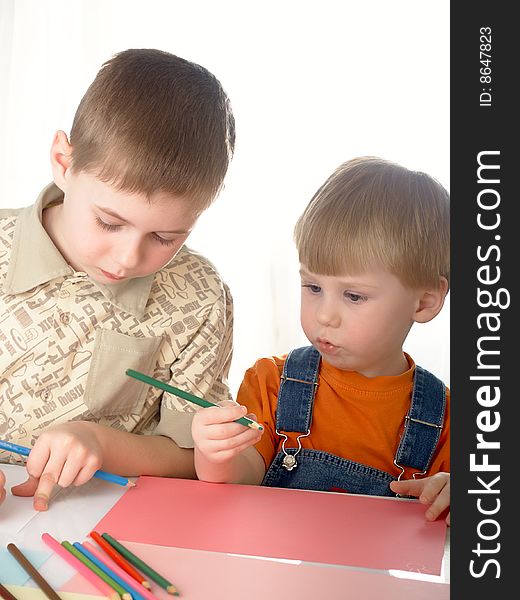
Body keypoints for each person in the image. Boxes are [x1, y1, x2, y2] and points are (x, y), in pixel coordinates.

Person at [0, 48, 235, 511]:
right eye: (109, 222)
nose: (129, 258)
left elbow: (193, 456)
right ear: (64, 163)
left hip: (109, 517)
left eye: (165, 237)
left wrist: (99, 441)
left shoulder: (200, 297)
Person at [192, 156, 451, 524]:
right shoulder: (272, 384)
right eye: (313, 287)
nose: (324, 315)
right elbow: (239, 478)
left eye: (354, 296)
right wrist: (215, 454)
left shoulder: (445, 420)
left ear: (424, 301)